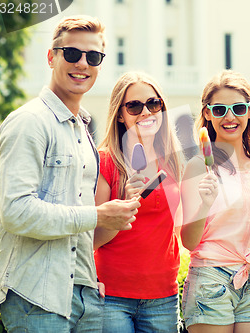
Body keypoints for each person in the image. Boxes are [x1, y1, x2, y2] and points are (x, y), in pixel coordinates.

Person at [0, 16, 141, 332]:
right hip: (36, 298)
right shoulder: (29, 123)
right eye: (72, 54)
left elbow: (81, 228)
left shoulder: (82, 128)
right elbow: (16, 213)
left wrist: (90, 280)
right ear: (51, 57)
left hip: (83, 299)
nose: (83, 64)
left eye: (93, 57)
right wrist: (97, 216)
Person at [180, 70, 250, 332]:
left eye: (237, 108)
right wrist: (204, 204)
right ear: (208, 113)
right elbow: (188, 241)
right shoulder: (199, 165)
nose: (230, 117)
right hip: (212, 278)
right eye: (220, 109)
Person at [93, 71, 184, 332]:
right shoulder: (106, 162)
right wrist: (123, 204)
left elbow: (182, 232)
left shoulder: (175, 160)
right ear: (120, 114)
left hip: (163, 296)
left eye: (153, 104)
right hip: (112, 297)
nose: (146, 112)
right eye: (134, 106)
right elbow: (93, 238)